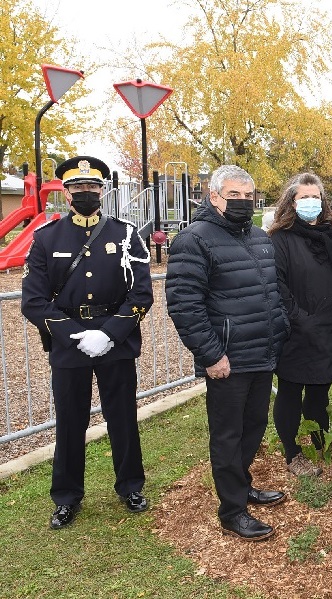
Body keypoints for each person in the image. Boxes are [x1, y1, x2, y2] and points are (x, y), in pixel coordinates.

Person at [21, 155, 153, 530]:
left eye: (92, 187)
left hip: (115, 342)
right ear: (66, 192)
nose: (85, 193)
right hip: (69, 343)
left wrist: (109, 333)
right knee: (70, 422)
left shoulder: (125, 234)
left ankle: (130, 486)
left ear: (102, 190)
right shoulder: (46, 238)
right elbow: (33, 300)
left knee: (123, 419)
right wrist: (73, 334)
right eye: (78, 188)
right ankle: (66, 497)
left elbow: (141, 294)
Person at [166, 165, 289, 541]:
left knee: (252, 428)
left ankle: (241, 485)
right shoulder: (194, 240)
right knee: (227, 435)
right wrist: (210, 354)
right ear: (214, 197)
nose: (242, 202)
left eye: (248, 196)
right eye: (233, 195)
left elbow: (271, 291)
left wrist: (280, 329)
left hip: (261, 353)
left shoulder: (258, 237)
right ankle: (232, 510)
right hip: (227, 359)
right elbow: (185, 305)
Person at [268, 173, 332, 477]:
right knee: (291, 392)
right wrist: (302, 320)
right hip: (297, 331)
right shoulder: (281, 238)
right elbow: (277, 287)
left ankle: (321, 441)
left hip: (330, 327)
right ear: (291, 201)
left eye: (315, 196)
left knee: (320, 392)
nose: (311, 202)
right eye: (304, 197)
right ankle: (292, 453)